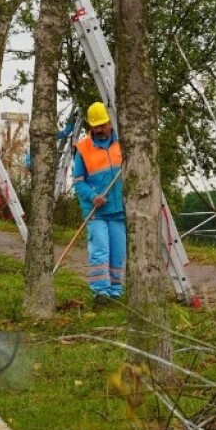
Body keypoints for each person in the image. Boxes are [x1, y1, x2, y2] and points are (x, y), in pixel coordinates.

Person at [72, 101, 124, 304]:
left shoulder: (123, 142)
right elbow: (78, 183)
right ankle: (100, 292)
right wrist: (93, 196)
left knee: (118, 252)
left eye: (103, 124)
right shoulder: (83, 149)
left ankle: (115, 292)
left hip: (118, 209)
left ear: (110, 122)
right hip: (96, 210)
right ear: (90, 126)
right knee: (100, 250)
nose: (100, 129)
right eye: (96, 126)